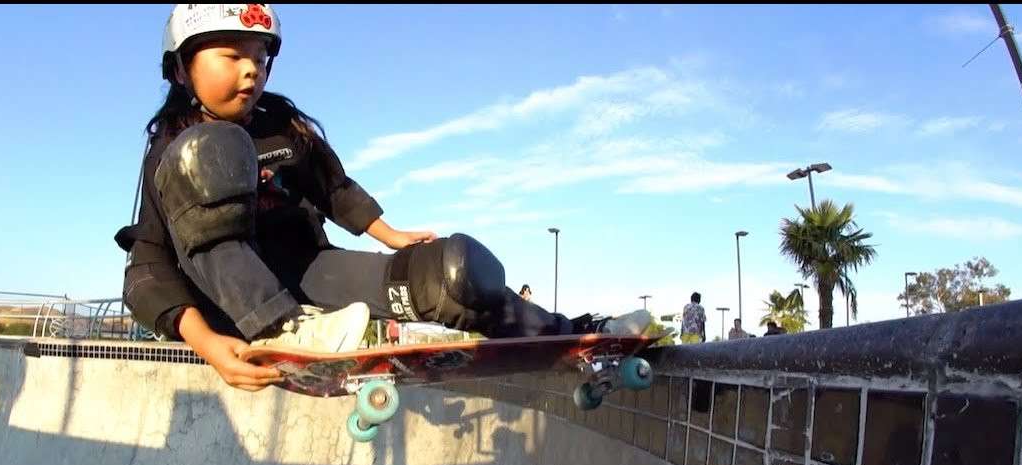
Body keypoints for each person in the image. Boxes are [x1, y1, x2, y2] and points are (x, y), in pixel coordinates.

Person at [115, 4, 651, 392]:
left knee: (452, 275)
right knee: (207, 153)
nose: (251, 70)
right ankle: (287, 330)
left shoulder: (281, 125)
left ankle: (573, 335)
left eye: (260, 58)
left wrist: (394, 240)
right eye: (231, 55)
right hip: (227, 301)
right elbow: (146, 268)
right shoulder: (169, 148)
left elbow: (333, 188)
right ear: (182, 68)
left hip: (303, 268)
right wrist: (206, 342)